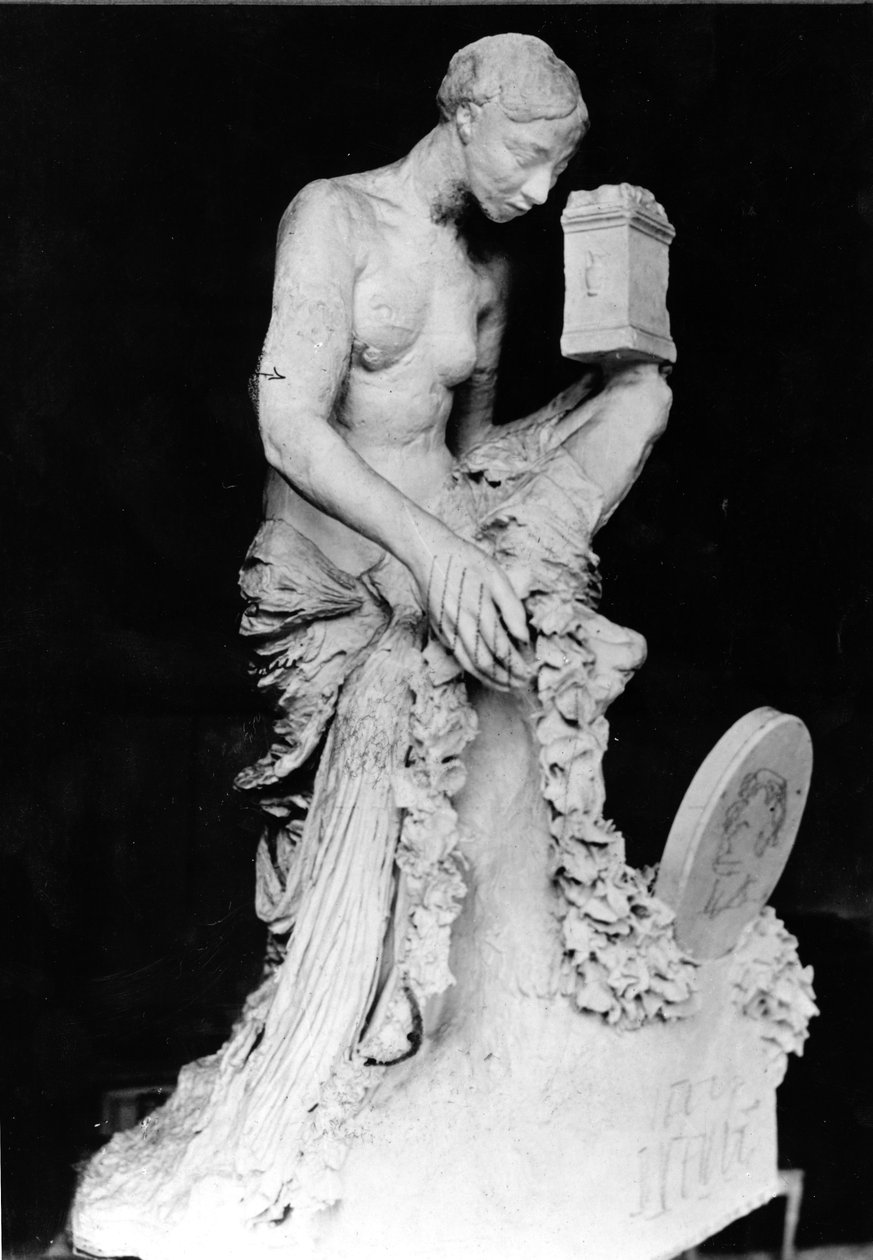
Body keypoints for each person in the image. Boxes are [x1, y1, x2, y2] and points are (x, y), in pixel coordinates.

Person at [71, 34, 680, 1257]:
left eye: (560, 169)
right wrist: (439, 562)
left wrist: (608, 383)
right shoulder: (334, 218)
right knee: (437, 673)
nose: (541, 190)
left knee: (644, 397)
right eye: (526, 157)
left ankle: (464, 1008)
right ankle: (376, 1002)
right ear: (465, 115)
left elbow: (469, 452)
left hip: (432, 554)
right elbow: (287, 425)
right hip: (331, 586)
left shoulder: (487, 265)